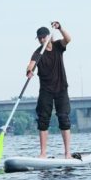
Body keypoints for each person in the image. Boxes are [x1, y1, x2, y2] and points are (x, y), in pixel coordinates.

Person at [26, 21, 72, 159]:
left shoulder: (58, 46)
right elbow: (31, 64)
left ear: (49, 37)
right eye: (39, 38)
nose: (41, 40)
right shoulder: (38, 53)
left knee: (63, 118)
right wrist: (29, 71)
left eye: (43, 37)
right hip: (46, 90)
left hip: (61, 89)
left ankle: (67, 153)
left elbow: (68, 39)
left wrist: (60, 28)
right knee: (43, 120)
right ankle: (43, 153)